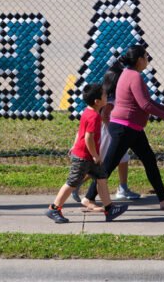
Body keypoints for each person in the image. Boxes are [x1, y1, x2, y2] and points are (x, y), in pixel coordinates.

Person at [81, 45, 164, 211]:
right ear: (139, 60)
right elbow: (145, 104)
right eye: (146, 56)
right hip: (124, 128)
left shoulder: (128, 74)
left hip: (132, 128)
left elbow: (146, 101)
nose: (148, 60)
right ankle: (88, 198)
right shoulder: (134, 76)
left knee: (149, 161)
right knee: (108, 165)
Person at [45, 83, 128, 223]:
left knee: (102, 178)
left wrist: (74, 144)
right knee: (72, 182)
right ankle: (54, 208)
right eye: (104, 95)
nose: (106, 96)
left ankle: (109, 209)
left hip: (88, 155)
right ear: (97, 101)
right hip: (84, 157)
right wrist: (95, 155)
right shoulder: (94, 117)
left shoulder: (88, 111)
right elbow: (88, 137)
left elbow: (80, 132)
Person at [71, 61, 141, 202]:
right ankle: (77, 184)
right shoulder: (110, 97)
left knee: (122, 159)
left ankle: (123, 187)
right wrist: (113, 133)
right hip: (108, 134)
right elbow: (104, 116)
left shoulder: (108, 93)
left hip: (110, 132)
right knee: (102, 164)